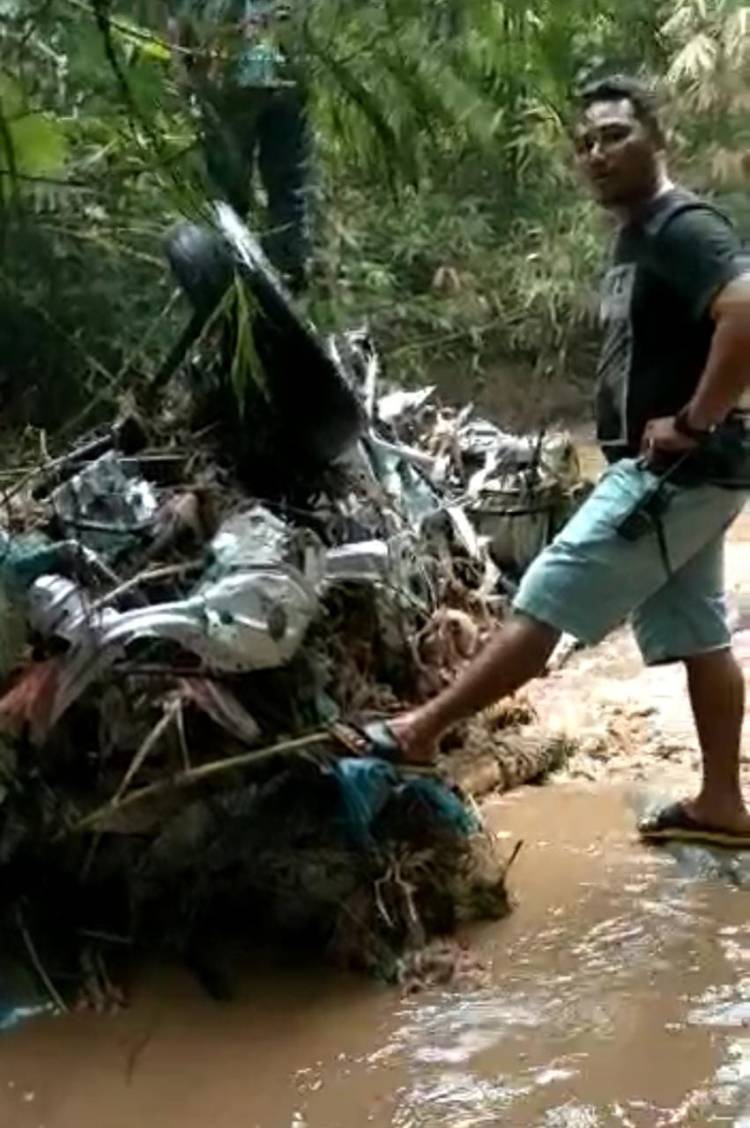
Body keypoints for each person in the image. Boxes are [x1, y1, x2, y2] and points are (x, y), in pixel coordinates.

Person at [365, 75, 750, 848]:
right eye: (586, 143)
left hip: (677, 473)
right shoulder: (636, 237)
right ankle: (722, 805)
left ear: (658, 140)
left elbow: (745, 307)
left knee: (545, 594)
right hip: (695, 473)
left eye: (615, 134)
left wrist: (694, 420)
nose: (597, 152)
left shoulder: (681, 226)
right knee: (701, 633)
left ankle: (420, 731)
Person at [167, 0, 312, 292]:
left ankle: (279, 278)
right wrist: (183, 67)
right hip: (236, 75)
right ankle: (235, 278)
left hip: (275, 72)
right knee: (236, 188)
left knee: (280, 183)